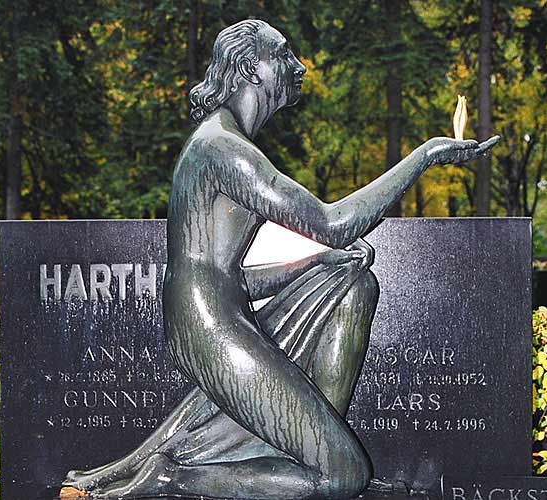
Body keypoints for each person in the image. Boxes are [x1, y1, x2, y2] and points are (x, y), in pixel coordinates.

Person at [63, 19, 498, 500]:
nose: (299, 66)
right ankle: (172, 477)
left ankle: (312, 456)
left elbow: (228, 278)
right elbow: (332, 223)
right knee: (344, 477)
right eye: (285, 55)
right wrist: (425, 156)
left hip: (219, 311)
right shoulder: (224, 150)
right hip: (208, 326)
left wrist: (316, 263)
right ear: (253, 68)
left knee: (353, 284)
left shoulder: (227, 143)